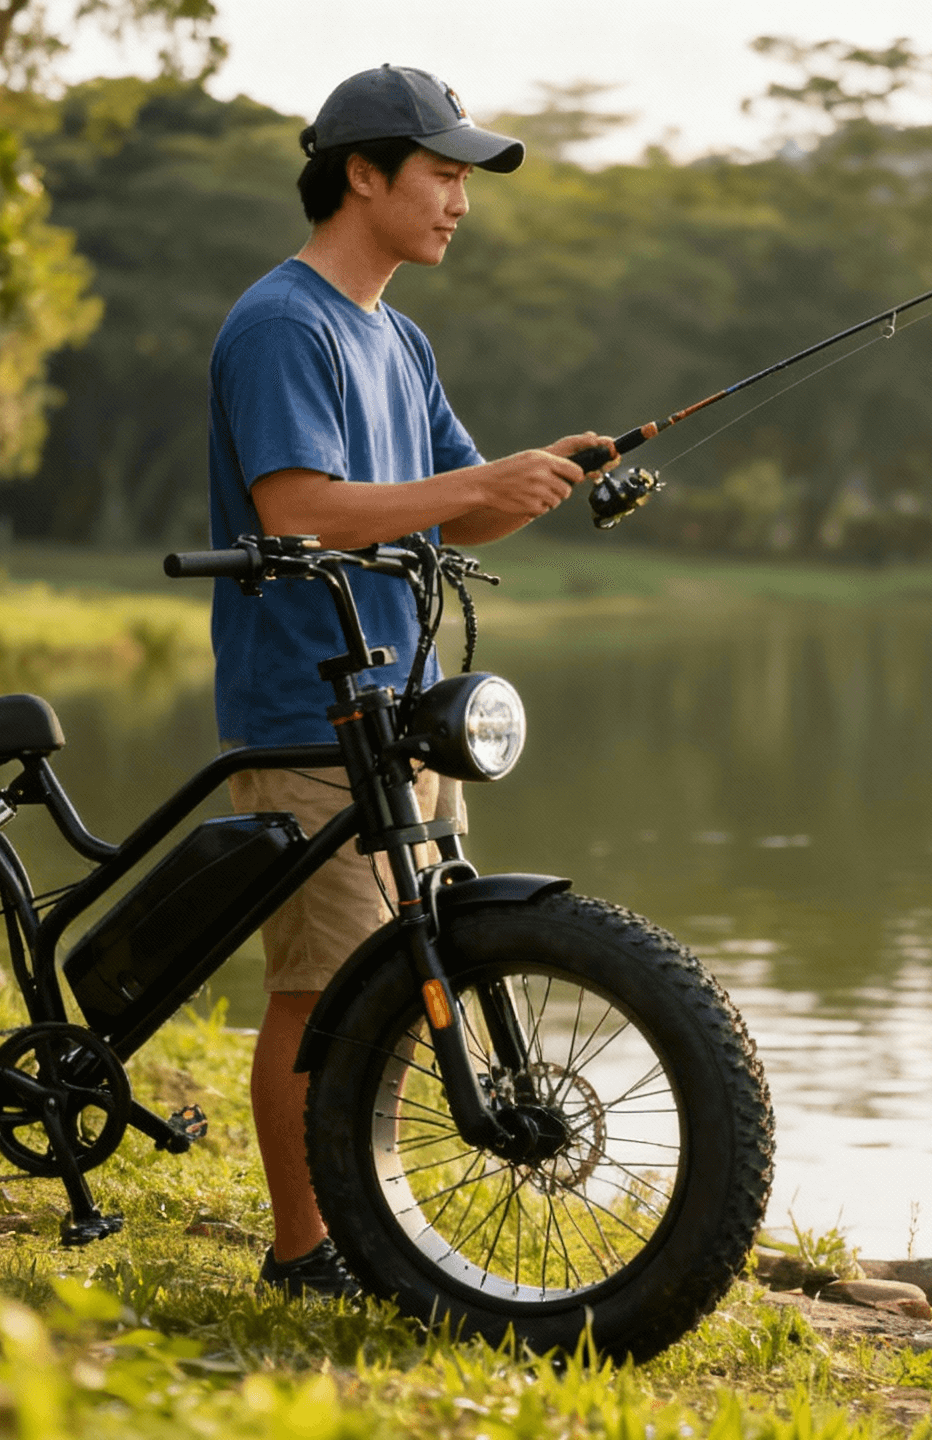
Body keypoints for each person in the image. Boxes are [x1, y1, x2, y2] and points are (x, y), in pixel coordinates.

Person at [203, 64, 611, 1299]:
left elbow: (455, 515)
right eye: (441, 175)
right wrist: (478, 484)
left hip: (405, 712)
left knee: (397, 978)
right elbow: (299, 508)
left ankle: (362, 1226)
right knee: (319, 990)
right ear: (363, 175)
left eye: (463, 180)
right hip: (310, 707)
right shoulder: (286, 324)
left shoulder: (398, 335)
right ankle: (303, 1252)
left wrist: (535, 480)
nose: (459, 202)